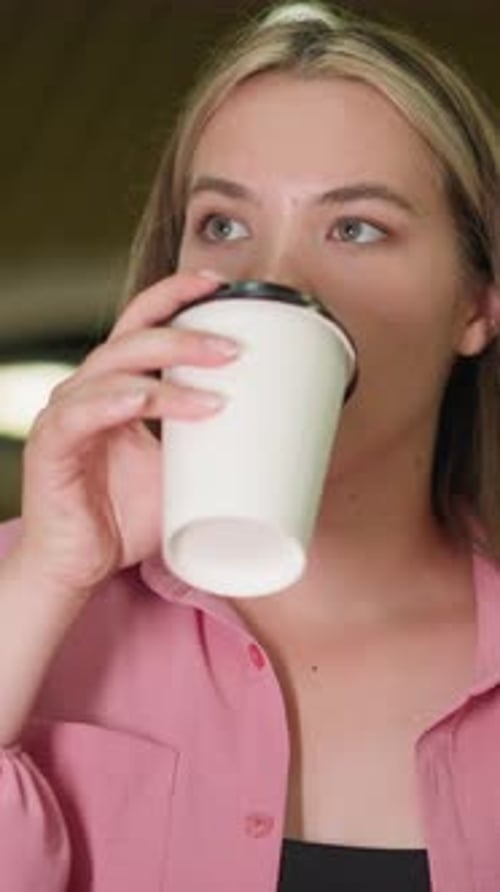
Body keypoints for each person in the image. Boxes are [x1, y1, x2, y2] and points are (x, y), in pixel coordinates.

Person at [0, 1, 498, 889]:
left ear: (476, 305)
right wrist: (43, 578)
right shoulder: (31, 585)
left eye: (357, 228)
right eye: (224, 225)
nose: (276, 280)